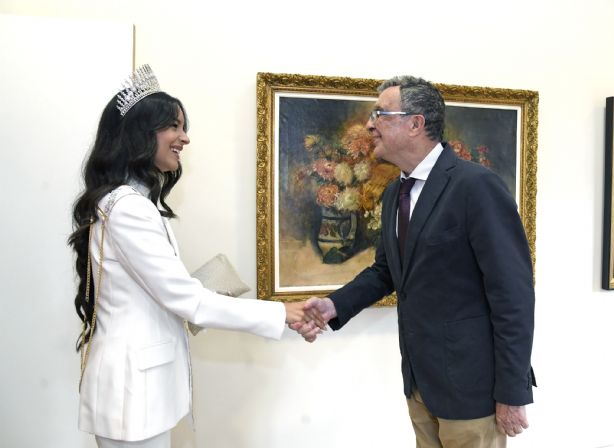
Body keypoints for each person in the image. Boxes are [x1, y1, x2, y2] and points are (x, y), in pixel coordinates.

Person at [68, 65, 318, 447]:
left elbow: (161, 292)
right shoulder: (128, 207)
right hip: (132, 397)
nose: (185, 138)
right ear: (140, 133)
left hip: (138, 393)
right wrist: (280, 312)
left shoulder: (131, 202)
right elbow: (186, 300)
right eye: (174, 126)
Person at [291, 76, 536, 447]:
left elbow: (513, 295)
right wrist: (333, 305)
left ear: (415, 124)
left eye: (380, 114)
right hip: (420, 384)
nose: (369, 124)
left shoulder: (475, 186)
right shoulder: (395, 192)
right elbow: (386, 272)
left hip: (473, 391)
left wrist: (513, 391)